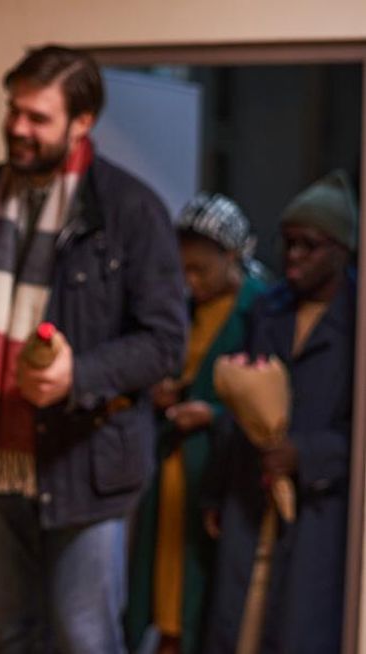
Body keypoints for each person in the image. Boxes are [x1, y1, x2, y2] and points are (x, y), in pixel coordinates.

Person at [0, 45, 186, 653]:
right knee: (14, 635)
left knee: (85, 639)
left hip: (87, 463)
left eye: (38, 117)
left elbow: (166, 342)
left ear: (82, 121)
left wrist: (80, 374)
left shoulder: (131, 209)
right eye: (14, 110)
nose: (18, 127)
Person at [203, 172, 357, 653]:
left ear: (340, 250)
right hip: (251, 499)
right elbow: (236, 411)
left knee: (299, 631)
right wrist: (215, 491)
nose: (293, 257)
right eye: (288, 243)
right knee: (238, 627)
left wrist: (304, 455)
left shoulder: (356, 321)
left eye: (308, 246)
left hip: (320, 514)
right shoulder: (269, 310)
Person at [126, 193, 268, 654]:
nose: (191, 280)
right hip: (173, 466)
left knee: (209, 598)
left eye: (201, 269)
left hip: (223, 475)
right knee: (165, 592)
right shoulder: (183, 308)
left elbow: (272, 399)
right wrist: (166, 391)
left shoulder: (262, 307)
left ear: (233, 255)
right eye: (182, 269)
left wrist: (214, 413)